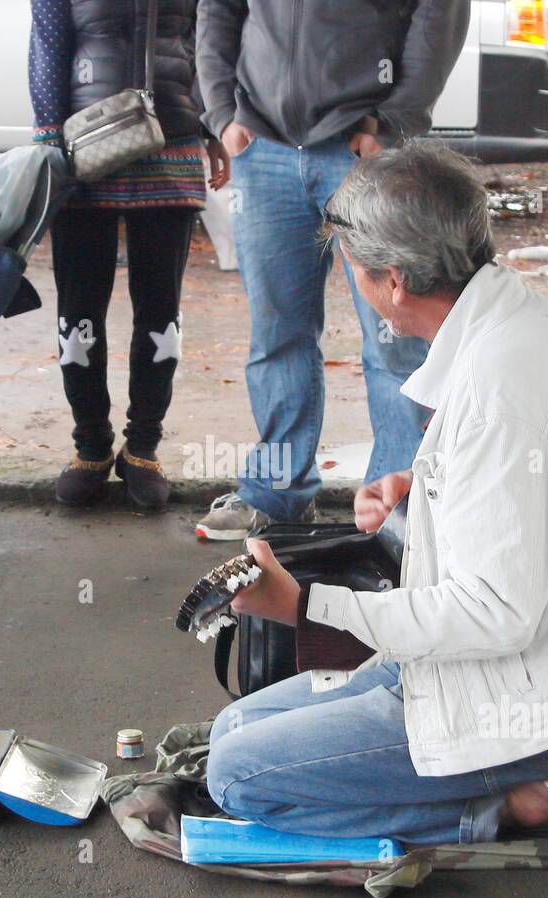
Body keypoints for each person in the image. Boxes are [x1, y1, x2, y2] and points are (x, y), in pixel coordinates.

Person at [205, 145, 548, 845]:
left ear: (393, 282)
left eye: (354, 271)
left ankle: (514, 803)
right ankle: (505, 784)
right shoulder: (514, 326)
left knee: (237, 774)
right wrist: (422, 490)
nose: (352, 285)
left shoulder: (499, 389)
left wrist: (304, 606)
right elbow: (514, 496)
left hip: (530, 707)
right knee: (233, 725)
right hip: (515, 671)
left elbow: (495, 613)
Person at [192, 0, 471, 539]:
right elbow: (218, 11)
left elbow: (439, 13)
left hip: (362, 148)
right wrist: (223, 114)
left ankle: (398, 507)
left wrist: (393, 122)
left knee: (395, 336)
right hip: (263, 146)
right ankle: (276, 495)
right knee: (277, 335)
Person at [29, 0, 229, 511]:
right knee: (78, 311)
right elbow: (48, 43)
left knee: (161, 310)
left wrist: (212, 126)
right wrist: (50, 136)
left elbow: (203, 41)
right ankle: (91, 447)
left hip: (174, 139)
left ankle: (142, 448)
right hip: (85, 144)